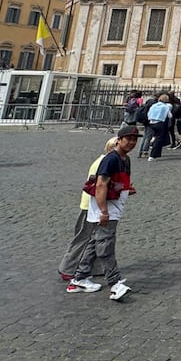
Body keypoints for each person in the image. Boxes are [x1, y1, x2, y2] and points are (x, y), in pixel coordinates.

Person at [66, 125, 138, 300]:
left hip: (113, 206)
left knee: (93, 243)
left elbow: (117, 182)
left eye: (134, 139)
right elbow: (100, 185)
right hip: (105, 208)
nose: (132, 142)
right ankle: (115, 283)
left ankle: (79, 278)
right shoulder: (111, 159)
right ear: (119, 140)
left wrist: (127, 189)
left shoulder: (124, 159)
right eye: (128, 139)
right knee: (106, 244)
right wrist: (103, 211)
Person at [59, 136, 118, 281]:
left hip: (96, 204)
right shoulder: (104, 163)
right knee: (84, 238)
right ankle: (69, 268)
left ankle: (95, 268)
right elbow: (97, 185)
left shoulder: (108, 161)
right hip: (91, 206)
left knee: (97, 238)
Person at [146, 92, 173, 161]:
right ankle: (152, 155)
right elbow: (170, 116)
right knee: (159, 139)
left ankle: (156, 149)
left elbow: (148, 113)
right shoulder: (165, 106)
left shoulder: (154, 105)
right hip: (159, 123)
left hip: (151, 122)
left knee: (156, 137)